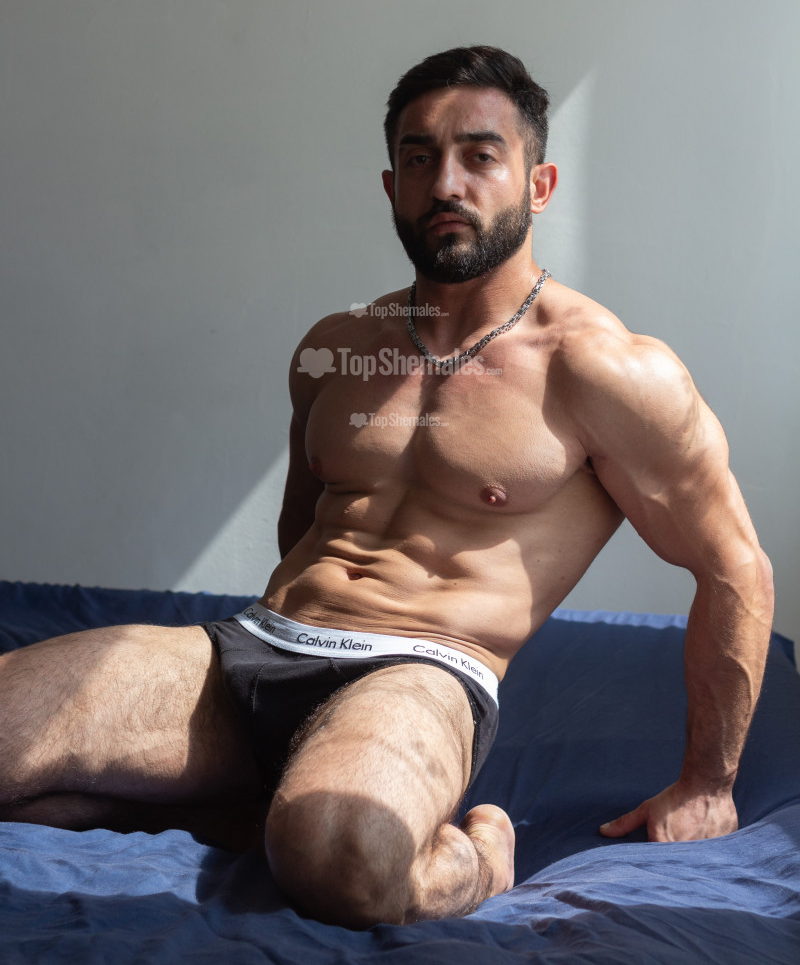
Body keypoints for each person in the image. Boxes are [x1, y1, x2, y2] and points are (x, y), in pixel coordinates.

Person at [0, 46, 774, 928]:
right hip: (254, 647)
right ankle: (251, 798)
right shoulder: (336, 347)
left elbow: (735, 567)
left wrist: (708, 784)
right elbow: (302, 528)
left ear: (539, 185)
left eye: (480, 156)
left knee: (342, 858)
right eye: (419, 158)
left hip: (421, 672)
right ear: (391, 185)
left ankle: (477, 857)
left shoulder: (606, 371)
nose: (445, 183)